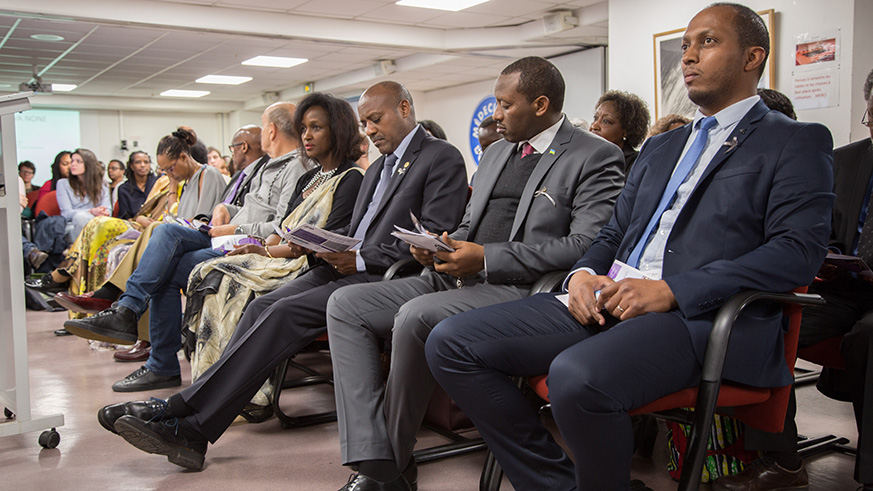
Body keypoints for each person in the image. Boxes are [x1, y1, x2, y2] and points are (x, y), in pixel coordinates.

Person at [425, 4, 835, 491]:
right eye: (685, 46)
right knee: (450, 342)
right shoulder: (664, 148)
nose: (688, 56)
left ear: (753, 57)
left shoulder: (794, 140)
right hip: (611, 296)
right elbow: (611, 234)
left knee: (577, 376)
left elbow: (795, 252)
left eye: (706, 42)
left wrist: (673, 290)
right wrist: (581, 274)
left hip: (700, 316)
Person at [97, 81, 469, 472]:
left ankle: (187, 418)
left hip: (384, 278)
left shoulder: (440, 157)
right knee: (261, 306)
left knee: (283, 313)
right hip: (341, 267)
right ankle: (190, 421)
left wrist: (358, 257)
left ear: (406, 109)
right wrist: (328, 244)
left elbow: (431, 242)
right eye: (365, 122)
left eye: (376, 119)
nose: (370, 130)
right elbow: (358, 231)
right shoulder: (376, 167)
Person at [326, 56, 625, 491]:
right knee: (345, 304)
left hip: (517, 289)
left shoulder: (594, 155)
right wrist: (440, 245)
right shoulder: (496, 152)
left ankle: (386, 465)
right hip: (454, 275)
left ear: (541, 105)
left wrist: (486, 258)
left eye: (504, 105)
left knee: (415, 315)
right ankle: (374, 453)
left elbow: (585, 246)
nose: (495, 115)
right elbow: (469, 225)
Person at [64, 105, 313, 392]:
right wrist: (225, 208)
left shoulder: (296, 167)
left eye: (263, 124)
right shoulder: (267, 165)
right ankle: (133, 322)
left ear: (271, 130)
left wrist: (234, 229)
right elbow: (251, 209)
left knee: (166, 259)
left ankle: (143, 337)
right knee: (166, 235)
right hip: (227, 235)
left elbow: (280, 227)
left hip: (247, 246)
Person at [715, 68, 873, 491]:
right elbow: (822, 229)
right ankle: (781, 461)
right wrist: (824, 257)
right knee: (763, 323)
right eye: (872, 114)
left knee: (867, 337)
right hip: (843, 287)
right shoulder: (846, 159)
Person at [184, 92, 365, 416]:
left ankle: (247, 395)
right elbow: (284, 228)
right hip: (283, 254)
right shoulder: (310, 177)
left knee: (232, 284)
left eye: (316, 128)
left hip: (305, 267)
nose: (306, 136)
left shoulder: (351, 179)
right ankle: (207, 386)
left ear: (337, 130)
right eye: (304, 128)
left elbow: (323, 243)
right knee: (208, 272)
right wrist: (261, 247)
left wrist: (270, 251)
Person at [56, 148, 111, 243]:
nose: (72, 164)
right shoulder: (63, 184)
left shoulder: (103, 184)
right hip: (73, 225)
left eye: (78, 162)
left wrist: (99, 213)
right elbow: (66, 214)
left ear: (89, 165)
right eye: (72, 161)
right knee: (80, 217)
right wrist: (91, 211)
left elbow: (108, 210)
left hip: (97, 222)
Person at [589, 90, 650, 174]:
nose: (594, 126)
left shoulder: (637, 164)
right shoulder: (585, 158)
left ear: (626, 130)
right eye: (595, 118)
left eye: (606, 121)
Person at [220, 125, 267, 207]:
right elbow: (223, 204)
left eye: (233, 148)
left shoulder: (264, 174)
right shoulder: (239, 175)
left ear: (244, 147)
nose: (232, 154)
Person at [116, 152, 156, 219]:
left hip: (157, 221)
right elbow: (125, 216)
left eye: (146, 162)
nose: (142, 165)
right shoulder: (123, 189)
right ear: (132, 166)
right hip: (135, 224)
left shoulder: (158, 183)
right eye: (138, 162)